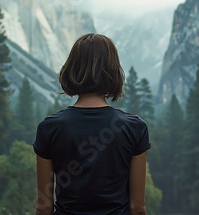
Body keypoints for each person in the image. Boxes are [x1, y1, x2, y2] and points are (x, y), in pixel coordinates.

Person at [33, 33, 151, 215]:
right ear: (113, 72)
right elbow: (137, 208)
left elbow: (44, 206)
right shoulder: (135, 128)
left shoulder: (49, 128)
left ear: (72, 69)